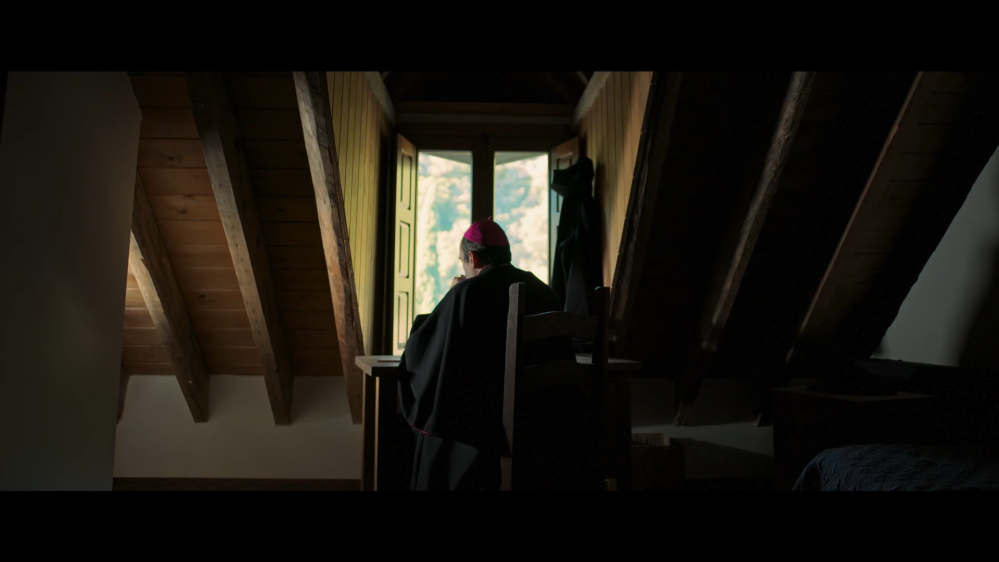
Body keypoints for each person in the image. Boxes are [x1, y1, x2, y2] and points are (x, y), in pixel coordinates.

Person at [397, 218, 575, 490]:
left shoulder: (466, 293)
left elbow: (424, 349)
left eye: (463, 262)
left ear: (472, 257)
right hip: (547, 423)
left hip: (487, 431)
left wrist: (453, 294)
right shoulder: (543, 290)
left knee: (440, 423)